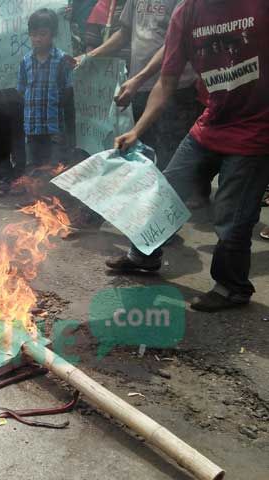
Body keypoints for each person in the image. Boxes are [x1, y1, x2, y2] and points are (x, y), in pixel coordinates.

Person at [108, 0, 269, 312]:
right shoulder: (187, 12)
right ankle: (144, 256)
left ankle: (232, 287)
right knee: (164, 192)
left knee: (231, 216)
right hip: (211, 123)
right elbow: (167, 80)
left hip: (256, 131)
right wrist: (137, 130)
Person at [82, 0, 201, 172]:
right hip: (139, 88)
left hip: (175, 89)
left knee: (171, 162)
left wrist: (138, 78)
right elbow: (125, 33)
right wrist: (90, 57)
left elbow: (174, 42)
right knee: (141, 157)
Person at [17, 9, 74, 171]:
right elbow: (21, 89)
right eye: (34, 34)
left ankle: (52, 196)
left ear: (53, 34)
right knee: (33, 167)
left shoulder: (62, 59)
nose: (37, 39)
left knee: (54, 167)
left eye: (42, 34)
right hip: (32, 125)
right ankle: (34, 195)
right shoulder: (25, 61)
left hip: (54, 126)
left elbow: (67, 90)